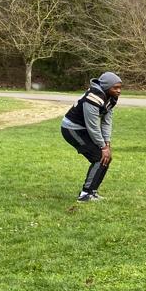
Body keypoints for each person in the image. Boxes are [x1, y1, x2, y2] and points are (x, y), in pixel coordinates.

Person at [60, 71, 122, 203]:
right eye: (115, 87)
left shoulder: (111, 97)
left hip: (84, 128)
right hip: (72, 129)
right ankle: (85, 195)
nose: (119, 91)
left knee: (106, 157)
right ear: (106, 87)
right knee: (100, 157)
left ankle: (91, 192)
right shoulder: (93, 98)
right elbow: (93, 126)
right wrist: (103, 147)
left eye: (120, 87)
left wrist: (107, 143)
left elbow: (106, 121)